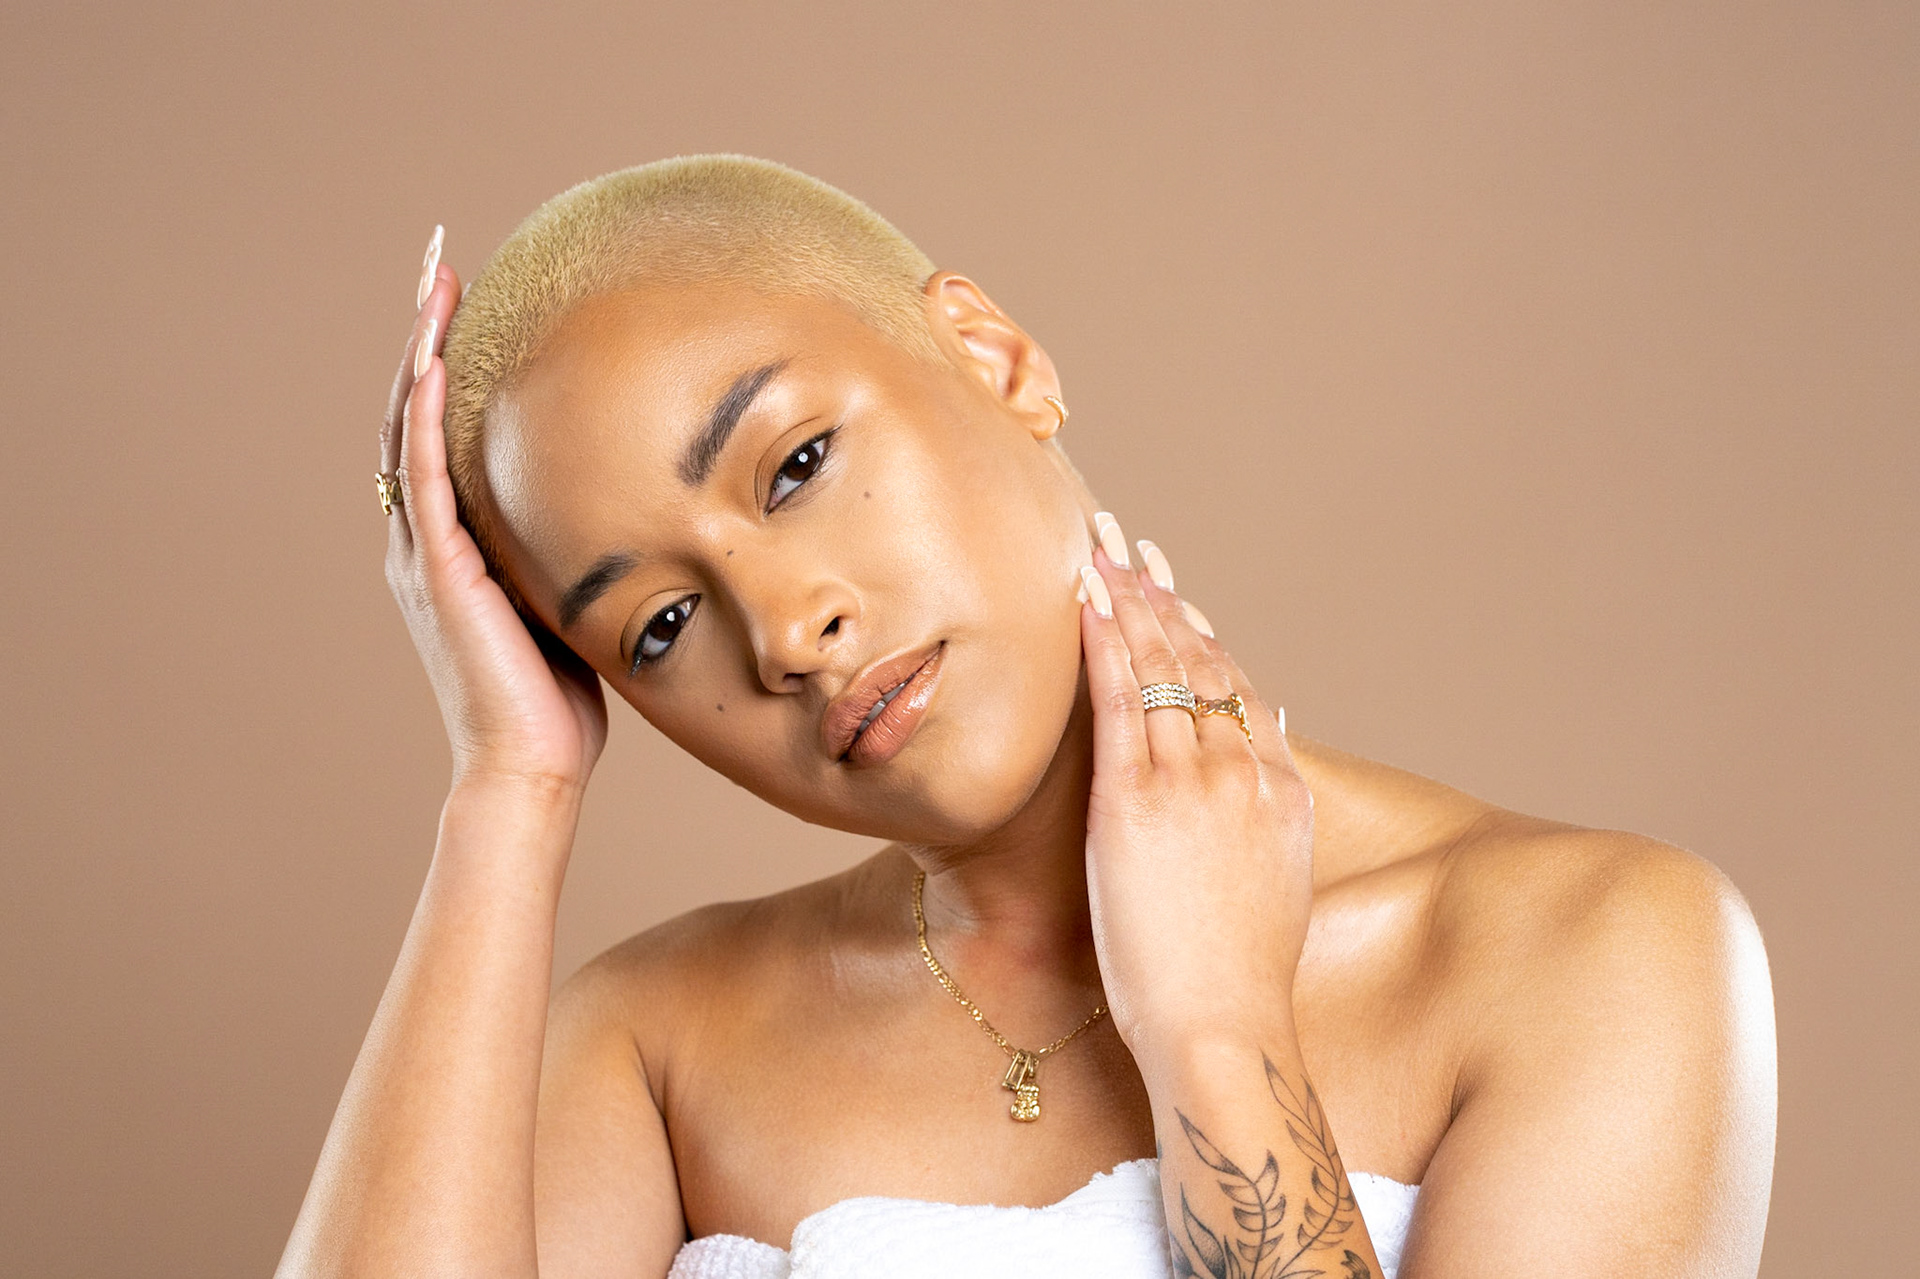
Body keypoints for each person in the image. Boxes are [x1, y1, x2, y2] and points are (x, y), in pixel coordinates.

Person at [279, 156, 1777, 1279]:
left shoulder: (1590, 948)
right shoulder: (651, 1049)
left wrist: (1216, 1028)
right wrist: (507, 788)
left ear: (993, 357)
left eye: (794, 466)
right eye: (658, 628)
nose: (787, 633)